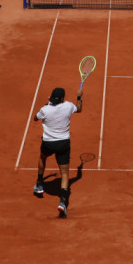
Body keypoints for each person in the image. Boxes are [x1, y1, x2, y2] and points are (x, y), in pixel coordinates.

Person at [34, 83, 84, 218]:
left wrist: (47, 105)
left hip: (48, 143)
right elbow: (79, 109)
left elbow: (35, 118)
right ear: (62, 99)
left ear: (52, 98)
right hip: (63, 144)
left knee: (42, 158)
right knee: (65, 173)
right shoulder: (68, 106)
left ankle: (39, 185)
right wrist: (79, 97)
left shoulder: (45, 109)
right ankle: (62, 202)